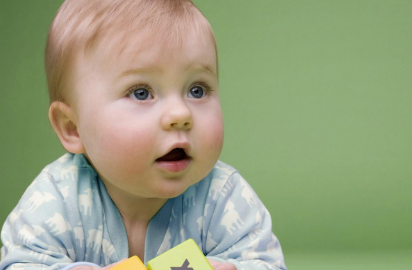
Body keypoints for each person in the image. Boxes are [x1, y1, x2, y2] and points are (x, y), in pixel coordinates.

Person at [0, 0, 286, 269]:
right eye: (141, 93)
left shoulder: (222, 196)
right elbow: (20, 263)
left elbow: (266, 261)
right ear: (72, 127)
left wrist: (229, 267)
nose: (180, 114)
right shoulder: (56, 198)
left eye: (196, 90)